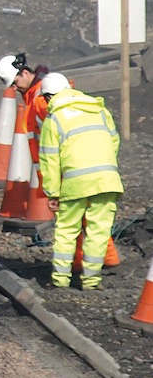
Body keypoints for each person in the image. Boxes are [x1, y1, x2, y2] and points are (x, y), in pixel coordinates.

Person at [38, 71, 123, 290]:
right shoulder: (99, 110)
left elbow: (50, 159)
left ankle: (60, 280)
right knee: (99, 231)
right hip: (107, 179)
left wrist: (53, 192)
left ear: (48, 97)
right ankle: (92, 281)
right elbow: (114, 142)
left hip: (75, 181)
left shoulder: (54, 118)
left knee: (67, 230)